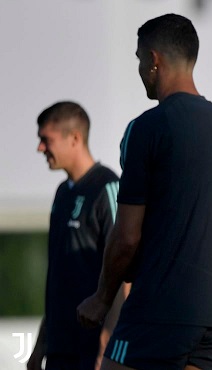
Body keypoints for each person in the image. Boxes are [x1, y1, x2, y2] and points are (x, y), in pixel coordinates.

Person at [76, 13, 212, 370]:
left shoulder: (148, 129)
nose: (140, 69)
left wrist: (101, 298)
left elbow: (126, 236)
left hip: (159, 314)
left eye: (140, 59)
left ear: (154, 60)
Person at [28, 101, 127, 370]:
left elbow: (124, 269)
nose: (40, 148)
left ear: (74, 138)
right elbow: (58, 277)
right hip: (60, 348)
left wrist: (108, 337)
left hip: (94, 347)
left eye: (46, 139)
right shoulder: (62, 193)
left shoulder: (107, 187)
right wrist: (41, 343)